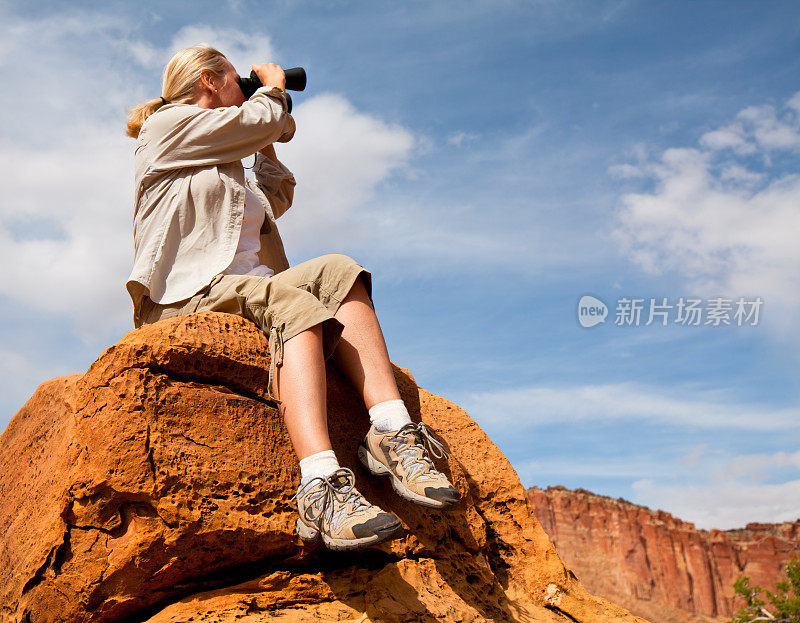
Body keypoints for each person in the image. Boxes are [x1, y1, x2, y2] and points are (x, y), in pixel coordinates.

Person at [124, 45, 460, 552]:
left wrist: (266, 132)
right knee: (296, 306)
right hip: (186, 294)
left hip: (248, 286)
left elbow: (275, 194)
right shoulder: (166, 128)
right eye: (239, 82)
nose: (247, 90)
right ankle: (320, 487)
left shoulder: (224, 151)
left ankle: (391, 432)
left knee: (342, 272)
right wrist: (273, 89)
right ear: (211, 81)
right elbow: (256, 124)